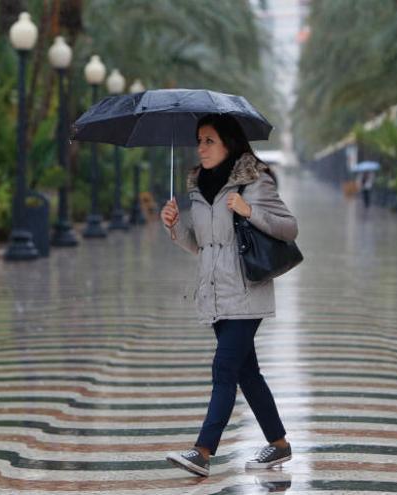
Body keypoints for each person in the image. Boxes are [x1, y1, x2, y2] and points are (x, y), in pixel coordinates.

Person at [160, 114, 297, 477]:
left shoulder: (254, 183)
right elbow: (202, 246)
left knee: (224, 368)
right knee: (246, 373)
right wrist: (175, 228)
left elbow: (289, 227)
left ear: (228, 144)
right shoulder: (197, 188)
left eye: (209, 141)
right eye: (199, 141)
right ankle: (279, 445)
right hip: (214, 294)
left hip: (246, 291)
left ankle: (203, 452)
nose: (201, 148)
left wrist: (249, 210)